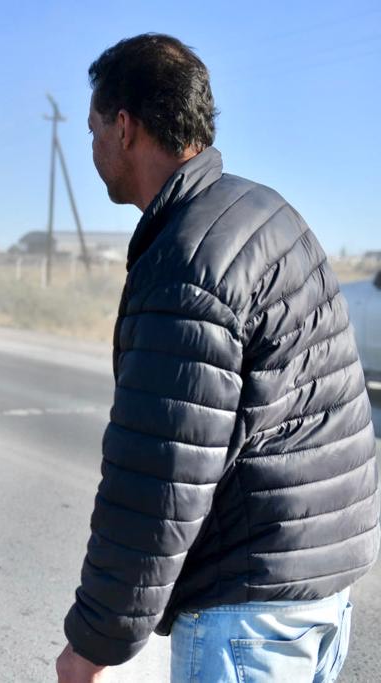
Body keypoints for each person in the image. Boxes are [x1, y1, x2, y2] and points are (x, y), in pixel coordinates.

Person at [54, 34, 379, 683]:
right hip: (319, 593)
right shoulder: (265, 212)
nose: (91, 146)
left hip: (249, 615)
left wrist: (95, 641)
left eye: (93, 128)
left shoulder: (186, 258)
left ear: (125, 127)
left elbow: (161, 475)